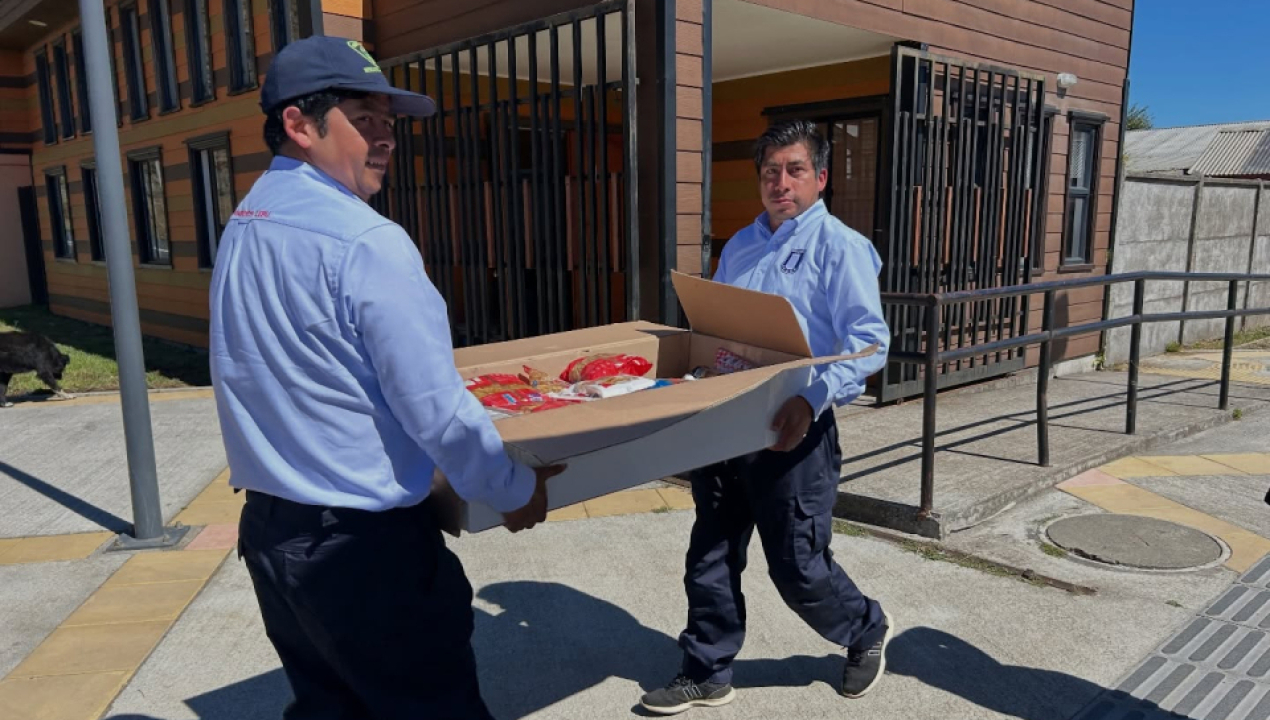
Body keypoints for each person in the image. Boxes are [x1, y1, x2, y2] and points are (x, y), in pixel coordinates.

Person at [208, 35, 562, 720]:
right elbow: (437, 410)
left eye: (389, 125)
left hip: (276, 539)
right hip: (361, 556)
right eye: (364, 119)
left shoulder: (247, 223)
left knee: (331, 706)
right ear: (299, 124)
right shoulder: (365, 241)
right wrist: (512, 491)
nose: (386, 138)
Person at [640, 120, 893, 715]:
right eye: (770, 171)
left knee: (799, 568)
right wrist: (697, 372)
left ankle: (864, 628)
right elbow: (723, 330)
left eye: (795, 169)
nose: (781, 182)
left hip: (795, 432)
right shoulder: (740, 245)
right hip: (728, 424)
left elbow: (869, 344)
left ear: (821, 178)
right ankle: (706, 668)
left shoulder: (842, 248)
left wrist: (813, 399)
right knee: (710, 554)